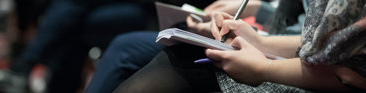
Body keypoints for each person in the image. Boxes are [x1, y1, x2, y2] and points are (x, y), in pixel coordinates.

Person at [112, 0, 366, 92]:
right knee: (172, 54)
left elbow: (348, 72)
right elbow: (321, 41)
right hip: (285, 52)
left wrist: (264, 68)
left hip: (309, 77)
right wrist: (260, 41)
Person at [85, 0, 301, 93]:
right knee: (128, 45)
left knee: (178, 60)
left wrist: (261, 44)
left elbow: (321, 53)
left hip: (282, 55)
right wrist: (259, 9)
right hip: (270, 36)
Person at [0, 0, 149, 93]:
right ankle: (25, 72)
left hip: (147, 12)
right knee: (70, 17)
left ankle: (20, 70)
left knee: (72, 19)